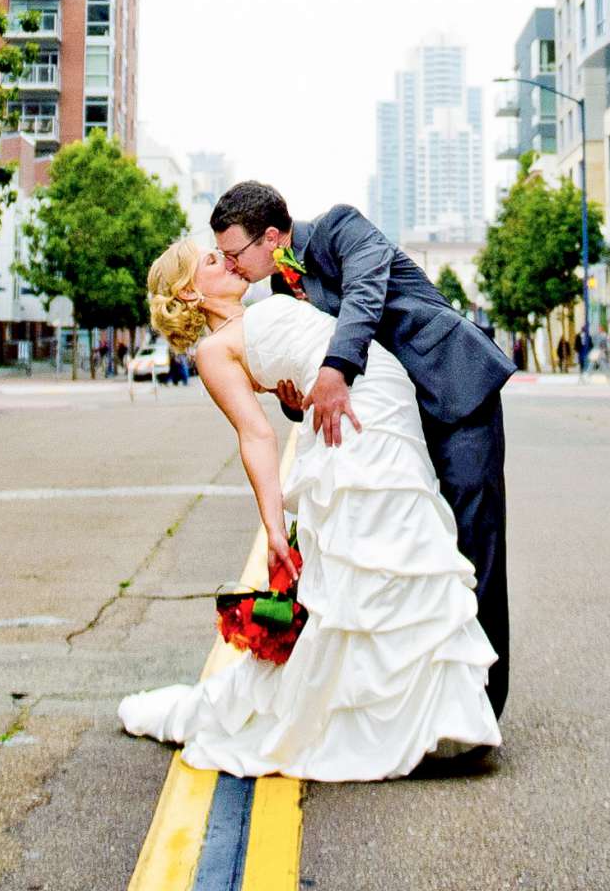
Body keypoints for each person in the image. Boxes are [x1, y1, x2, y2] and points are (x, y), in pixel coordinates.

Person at [121, 238, 499, 780]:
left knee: (405, 548)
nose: (226, 262)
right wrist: (274, 528)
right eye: (210, 261)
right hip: (348, 427)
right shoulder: (214, 351)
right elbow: (255, 435)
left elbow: (299, 370)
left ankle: (434, 715)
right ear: (188, 291)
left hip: (382, 403)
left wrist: (294, 393)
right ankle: (399, 721)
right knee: (380, 555)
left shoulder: (264, 302)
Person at [207, 181, 513, 718]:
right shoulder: (282, 293)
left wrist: (332, 370)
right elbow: (308, 391)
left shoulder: (341, 228)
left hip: (453, 391)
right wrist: (296, 396)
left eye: (235, 254)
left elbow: (366, 296)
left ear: (272, 237)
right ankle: (428, 699)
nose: (232, 267)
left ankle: (484, 702)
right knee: (423, 553)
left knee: (472, 546)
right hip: (394, 426)